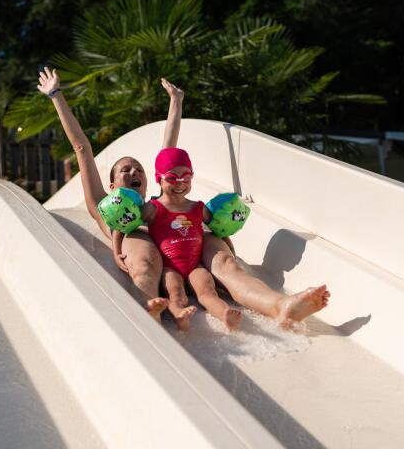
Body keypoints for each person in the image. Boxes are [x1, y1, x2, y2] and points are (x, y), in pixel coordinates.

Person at [38, 67, 329, 328]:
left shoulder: (158, 204)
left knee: (226, 262)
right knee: (145, 258)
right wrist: (56, 96)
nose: (133, 171)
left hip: (187, 250)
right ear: (113, 186)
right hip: (157, 261)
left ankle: (281, 307)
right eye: (124, 170)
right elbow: (81, 148)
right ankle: (146, 308)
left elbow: (169, 149)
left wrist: (176, 102)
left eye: (138, 168)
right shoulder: (104, 208)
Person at [112, 147, 242, 331]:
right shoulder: (153, 208)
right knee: (176, 294)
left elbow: (218, 230)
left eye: (186, 177)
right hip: (168, 267)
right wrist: (116, 251)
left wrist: (230, 248)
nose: (180, 183)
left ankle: (225, 314)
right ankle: (180, 315)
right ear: (159, 178)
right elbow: (124, 225)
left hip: (195, 265)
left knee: (208, 292)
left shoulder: (198, 207)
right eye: (172, 178)